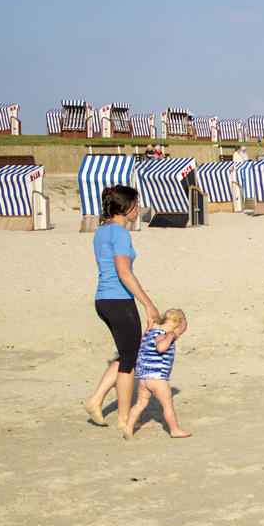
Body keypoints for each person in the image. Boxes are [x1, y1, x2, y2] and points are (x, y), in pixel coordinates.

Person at [84, 186, 159, 428]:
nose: (139, 209)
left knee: (127, 354)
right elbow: (124, 273)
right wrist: (148, 304)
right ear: (125, 207)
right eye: (136, 205)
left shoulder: (101, 231)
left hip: (103, 300)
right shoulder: (120, 234)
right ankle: (124, 418)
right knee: (130, 362)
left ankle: (96, 401)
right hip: (118, 300)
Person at [122, 308, 191, 440]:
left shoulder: (150, 333)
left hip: (143, 378)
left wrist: (148, 327)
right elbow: (160, 347)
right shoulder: (164, 335)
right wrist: (170, 336)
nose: (177, 337)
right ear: (175, 326)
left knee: (141, 403)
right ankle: (174, 430)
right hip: (157, 378)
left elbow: (143, 341)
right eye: (179, 333)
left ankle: (128, 427)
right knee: (167, 404)